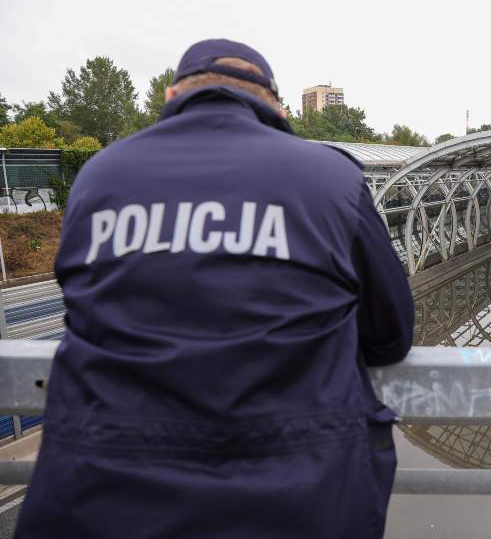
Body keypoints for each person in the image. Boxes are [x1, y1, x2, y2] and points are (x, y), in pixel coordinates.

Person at [15, 39, 415, 539]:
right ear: (275, 104)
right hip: (299, 500)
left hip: (100, 497)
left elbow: (81, 309)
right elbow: (390, 336)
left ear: (171, 95)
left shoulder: (99, 177)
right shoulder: (331, 178)